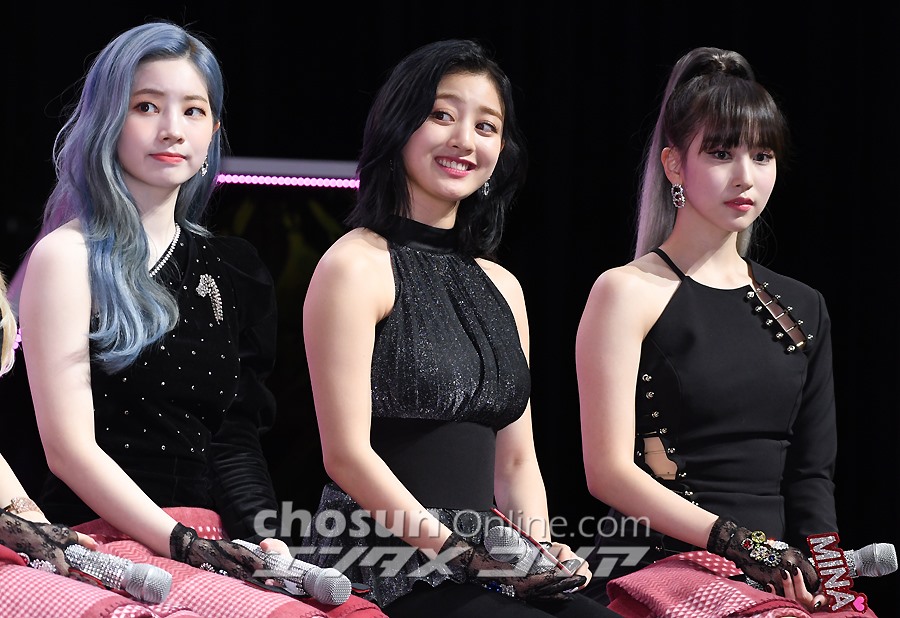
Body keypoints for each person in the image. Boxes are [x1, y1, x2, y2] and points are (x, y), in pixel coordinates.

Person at [13, 20, 386, 618]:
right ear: (108, 119)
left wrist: (263, 539)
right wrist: (181, 543)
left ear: (213, 131)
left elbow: (234, 438)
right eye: (146, 106)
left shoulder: (232, 267)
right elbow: (70, 451)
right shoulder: (68, 255)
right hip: (104, 542)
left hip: (207, 542)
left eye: (193, 110)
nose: (172, 129)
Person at [299, 38, 616, 618]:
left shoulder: (504, 286)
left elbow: (516, 463)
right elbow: (345, 455)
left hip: (485, 555)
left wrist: (539, 554)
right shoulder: (354, 266)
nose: (465, 140)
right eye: (442, 115)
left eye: (486, 126)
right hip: (384, 556)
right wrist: (463, 556)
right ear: (398, 127)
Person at [576, 46, 872, 616]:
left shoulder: (804, 306)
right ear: (673, 166)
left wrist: (833, 588)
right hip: (667, 565)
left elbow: (812, 477)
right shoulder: (625, 291)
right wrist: (746, 546)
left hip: (776, 579)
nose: (745, 177)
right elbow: (608, 472)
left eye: (762, 156)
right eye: (720, 153)